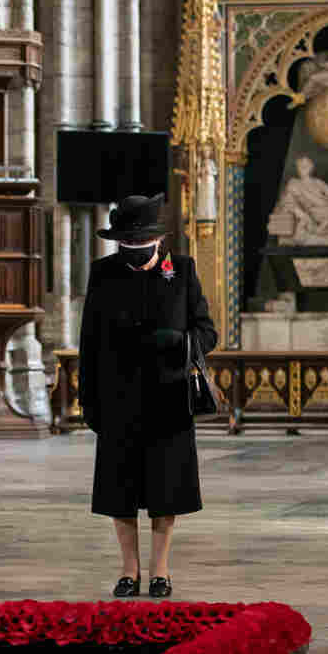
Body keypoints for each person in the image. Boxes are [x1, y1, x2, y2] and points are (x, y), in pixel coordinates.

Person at [78, 193, 218, 599]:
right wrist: (88, 399)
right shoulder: (102, 273)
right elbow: (89, 341)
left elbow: (208, 332)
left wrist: (181, 341)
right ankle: (128, 570)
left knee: (164, 488)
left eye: (141, 245)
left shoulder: (184, 271)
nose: (135, 252)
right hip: (117, 398)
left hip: (168, 400)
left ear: (156, 240)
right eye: (128, 245)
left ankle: (160, 570)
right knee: (119, 489)